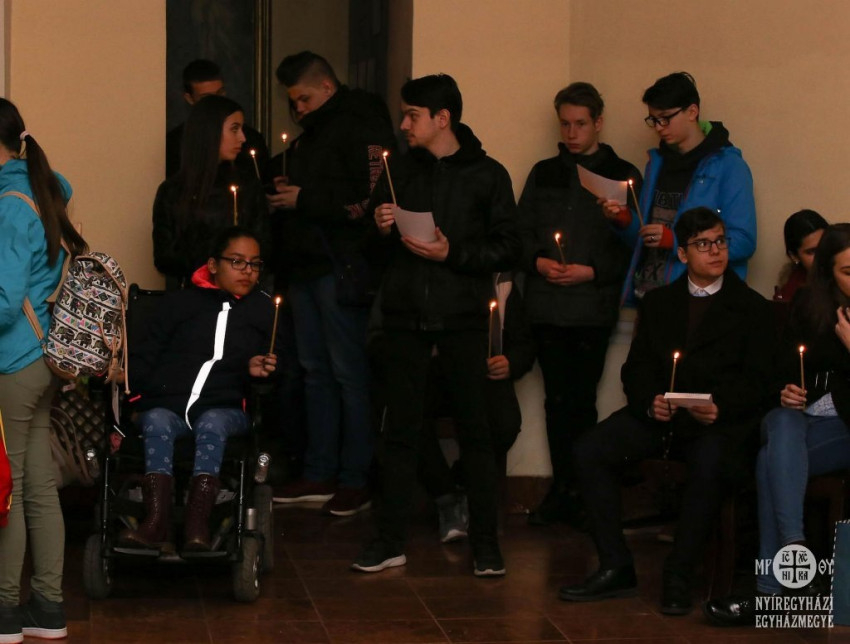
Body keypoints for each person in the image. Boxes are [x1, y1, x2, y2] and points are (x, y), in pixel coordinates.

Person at [559, 208, 773, 615]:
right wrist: (650, 401)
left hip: (716, 423)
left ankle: (679, 574)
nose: (716, 251)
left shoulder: (752, 308)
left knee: (711, 462)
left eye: (720, 241)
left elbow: (761, 380)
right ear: (683, 254)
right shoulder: (659, 303)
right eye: (703, 244)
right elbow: (636, 369)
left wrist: (721, 406)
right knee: (589, 449)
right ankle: (615, 566)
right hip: (661, 417)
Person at [352, 73, 521, 576]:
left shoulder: (488, 174)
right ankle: (389, 541)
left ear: (442, 118)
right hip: (404, 316)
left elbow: (509, 247)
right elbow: (368, 250)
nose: (403, 124)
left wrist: (454, 253)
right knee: (400, 431)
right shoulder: (398, 171)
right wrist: (378, 227)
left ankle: (486, 545)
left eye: (412, 115)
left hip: (464, 316)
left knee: (476, 432)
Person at [705, 224, 850, 626]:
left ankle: (771, 588)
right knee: (781, 423)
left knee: (770, 459)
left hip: (844, 428)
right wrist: (785, 390)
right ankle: (793, 558)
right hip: (800, 421)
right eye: (848, 272)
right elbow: (779, 368)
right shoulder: (808, 304)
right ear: (827, 273)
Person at [270, 51, 394, 516]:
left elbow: (370, 197)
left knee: (347, 374)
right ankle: (319, 472)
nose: (298, 108)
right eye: (293, 101)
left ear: (326, 87)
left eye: (304, 98)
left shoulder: (362, 122)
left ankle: (354, 477)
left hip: (340, 266)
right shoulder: (314, 133)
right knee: (314, 372)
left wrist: (304, 198)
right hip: (306, 265)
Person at [517, 82, 642, 526]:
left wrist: (593, 271)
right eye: (565, 124)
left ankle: (585, 491)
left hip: (592, 306)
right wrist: (538, 261)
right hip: (547, 305)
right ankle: (562, 489)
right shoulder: (544, 172)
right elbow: (521, 229)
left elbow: (635, 243)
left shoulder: (622, 174)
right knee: (556, 401)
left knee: (582, 400)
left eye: (580, 124)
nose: (571, 133)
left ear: (598, 123)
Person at [120, 227, 277, 553]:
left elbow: (281, 365)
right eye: (237, 262)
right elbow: (144, 357)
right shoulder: (179, 304)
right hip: (170, 406)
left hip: (226, 409)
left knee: (212, 422)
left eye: (255, 264)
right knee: (157, 420)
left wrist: (258, 369)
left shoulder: (262, 311)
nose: (247, 271)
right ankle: (156, 521)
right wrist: (135, 401)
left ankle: (197, 524)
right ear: (213, 265)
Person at [0, 98, 87, 643]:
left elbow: (4, 301)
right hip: (42, 358)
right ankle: (48, 608)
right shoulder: (42, 187)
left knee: (5, 490)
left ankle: (4, 610)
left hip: (12, 361)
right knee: (35, 485)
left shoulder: (9, 204)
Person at [618, 72, 756, 305]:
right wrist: (624, 221)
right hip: (647, 298)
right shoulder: (657, 163)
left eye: (665, 118)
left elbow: (743, 242)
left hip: (699, 303)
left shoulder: (729, 166)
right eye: (653, 120)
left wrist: (675, 241)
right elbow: (645, 238)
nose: (659, 128)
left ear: (692, 112)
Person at [418, 273, 536, 542]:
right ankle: (445, 495)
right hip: (438, 373)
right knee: (407, 414)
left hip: (487, 375)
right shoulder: (431, 278)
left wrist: (510, 362)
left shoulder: (501, 283)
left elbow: (524, 343)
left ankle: (462, 480)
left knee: (505, 423)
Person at [153, 95, 268, 290]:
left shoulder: (248, 186)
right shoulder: (173, 190)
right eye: (234, 129)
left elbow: (264, 245)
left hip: (243, 294)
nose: (242, 137)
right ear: (210, 132)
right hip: (193, 295)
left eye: (241, 129)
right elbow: (164, 256)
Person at [166, 59, 269, 180]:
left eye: (219, 94)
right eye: (207, 98)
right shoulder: (176, 143)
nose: (217, 102)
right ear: (189, 99)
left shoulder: (250, 139)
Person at [773, 209, 828, 302]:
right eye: (812, 251)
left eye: (825, 245)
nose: (822, 254)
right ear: (794, 256)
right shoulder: (791, 294)